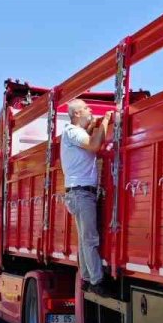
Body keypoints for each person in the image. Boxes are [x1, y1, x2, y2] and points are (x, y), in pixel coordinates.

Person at [60, 99, 113, 293]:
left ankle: (87, 277)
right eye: (86, 108)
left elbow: (89, 139)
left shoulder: (73, 133)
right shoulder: (72, 132)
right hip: (81, 193)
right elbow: (94, 145)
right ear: (76, 114)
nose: (90, 110)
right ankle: (97, 281)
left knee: (84, 239)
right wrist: (106, 121)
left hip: (78, 193)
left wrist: (94, 126)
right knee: (89, 239)